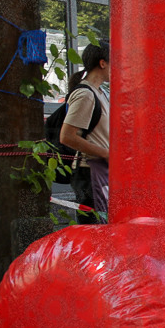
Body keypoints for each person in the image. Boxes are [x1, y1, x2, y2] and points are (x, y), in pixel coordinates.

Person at [60, 40, 111, 223]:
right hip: (88, 173)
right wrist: (106, 153)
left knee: (103, 231)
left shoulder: (100, 93)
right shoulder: (85, 94)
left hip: (99, 172)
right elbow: (67, 136)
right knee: (94, 234)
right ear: (102, 63)